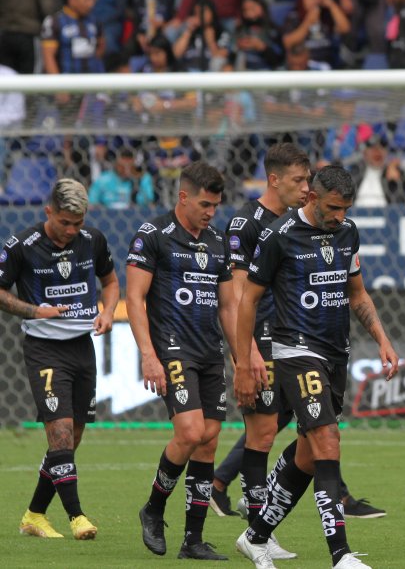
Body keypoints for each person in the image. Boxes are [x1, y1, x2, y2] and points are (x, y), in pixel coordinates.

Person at [234, 166, 399, 569]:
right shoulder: (279, 237)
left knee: (309, 455)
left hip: (336, 354)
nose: (339, 215)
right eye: (333, 207)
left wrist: (382, 339)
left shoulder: (347, 232)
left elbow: (356, 294)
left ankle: (254, 537)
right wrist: (243, 361)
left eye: (345, 208)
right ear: (311, 198)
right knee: (327, 440)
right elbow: (248, 301)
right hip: (293, 351)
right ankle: (340, 555)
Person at [128, 162, 238, 561]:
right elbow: (135, 299)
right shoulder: (153, 235)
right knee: (190, 432)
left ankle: (193, 540)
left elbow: (228, 306)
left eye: (216, 206)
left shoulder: (217, 241)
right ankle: (153, 510)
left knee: (208, 442)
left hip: (210, 353)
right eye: (205, 204)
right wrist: (148, 356)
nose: (211, 212)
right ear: (184, 197)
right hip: (173, 348)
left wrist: (241, 358)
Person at [210, 144, 312, 562]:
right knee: (262, 434)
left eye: (308, 180)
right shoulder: (245, 223)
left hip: (292, 342)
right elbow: (234, 294)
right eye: (298, 181)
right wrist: (245, 353)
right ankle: (257, 534)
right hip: (260, 343)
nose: (307, 188)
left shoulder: (297, 224)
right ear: (274, 179)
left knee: (290, 432)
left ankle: (257, 529)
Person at [4, 180, 116, 541]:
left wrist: (109, 311)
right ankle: (77, 516)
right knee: (61, 434)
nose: (71, 231)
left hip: (82, 346)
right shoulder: (22, 246)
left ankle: (35, 514)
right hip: (44, 349)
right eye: (64, 222)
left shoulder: (93, 240)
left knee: (71, 438)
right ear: (48, 210)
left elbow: (110, 281)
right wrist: (36, 311)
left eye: (78, 223)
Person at [42, 0, 104, 75]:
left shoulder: (94, 21)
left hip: (91, 83)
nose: (91, 4)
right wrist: (58, 86)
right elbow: (48, 56)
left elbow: (101, 45)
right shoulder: (55, 22)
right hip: (67, 82)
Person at [89, 148, 155, 208]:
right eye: (122, 166)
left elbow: (148, 201)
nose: (126, 168)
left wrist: (136, 180)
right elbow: (92, 202)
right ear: (116, 163)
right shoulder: (103, 179)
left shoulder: (143, 178)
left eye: (129, 166)